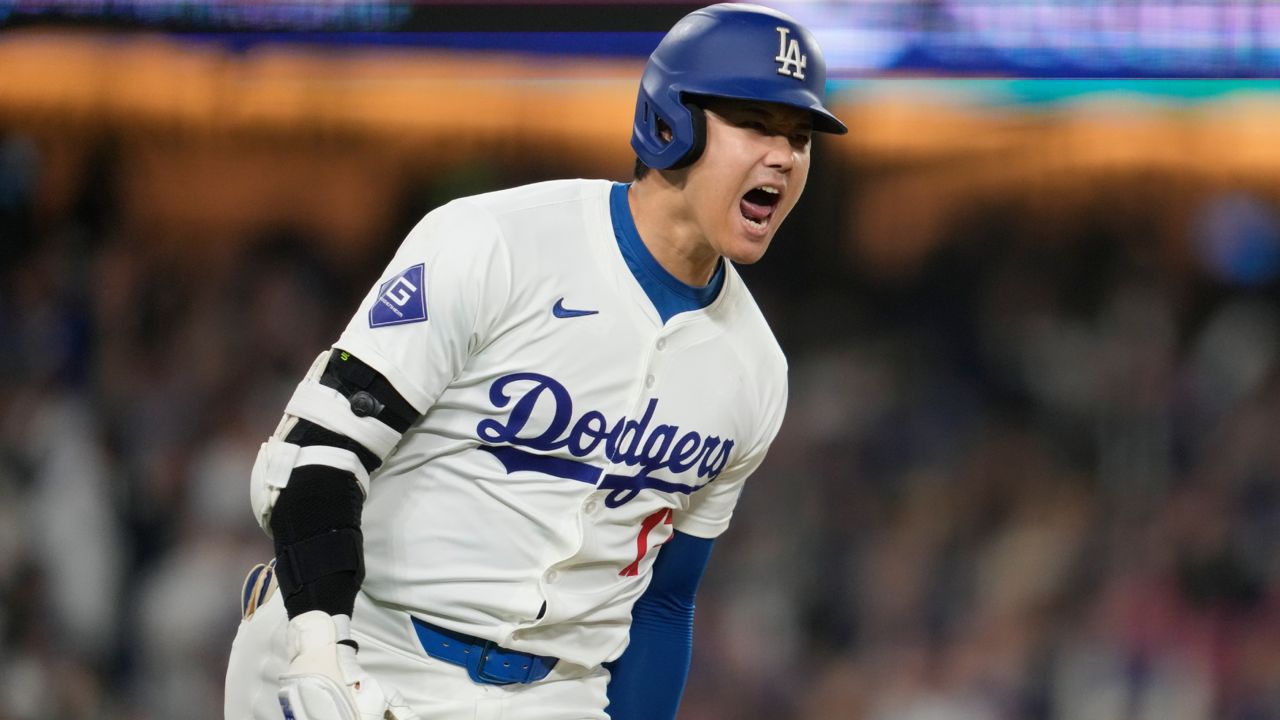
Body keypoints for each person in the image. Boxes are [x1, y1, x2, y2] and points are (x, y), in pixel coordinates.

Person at [223, 4, 846, 719]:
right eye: (757, 125)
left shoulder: (756, 370)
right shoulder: (497, 241)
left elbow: (666, 601)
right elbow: (316, 455)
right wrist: (318, 646)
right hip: (363, 640)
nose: (785, 156)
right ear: (672, 122)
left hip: (551, 694)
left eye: (800, 137)